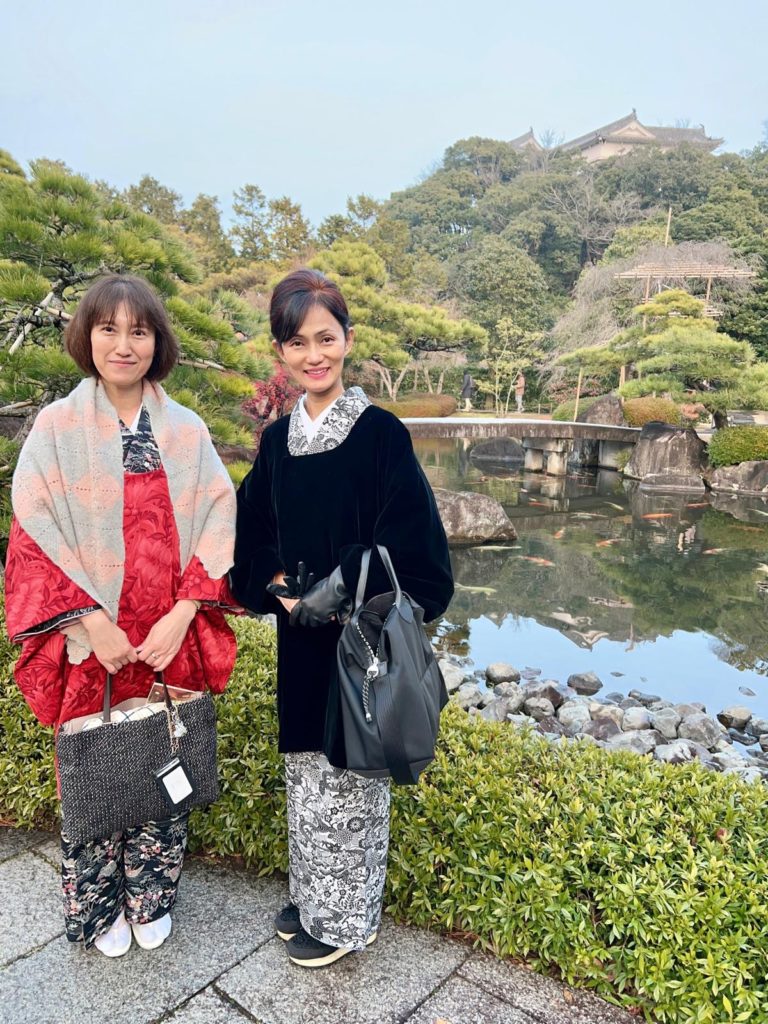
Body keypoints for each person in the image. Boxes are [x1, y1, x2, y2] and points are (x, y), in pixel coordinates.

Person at [4, 275, 238, 957]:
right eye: (109, 328)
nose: (124, 343)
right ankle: (101, 905)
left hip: (168, 636)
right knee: (95, 767)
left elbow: (221, 520)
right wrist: (84, 621)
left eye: (139, 330)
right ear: (87, 336)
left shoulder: (187, 431)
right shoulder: (54, 429)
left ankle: (152, 896)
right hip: (94, 637)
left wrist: (186, 611)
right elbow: (32, 533)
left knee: (164, 759)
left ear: (158, 342)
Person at [230, 269, 453, 969]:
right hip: (301, 644)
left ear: (348, 340)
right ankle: (317, 902)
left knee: (352, 778)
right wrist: (280, 591)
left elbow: (418, 553)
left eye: (326, 338)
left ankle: (346, 921)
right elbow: (252, 533)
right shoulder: (278, 444)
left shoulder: (381, 435)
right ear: (281, 353)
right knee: (307, 774)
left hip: (363, 646)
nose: (313, 355)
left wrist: (342, 587)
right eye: (297, 343)